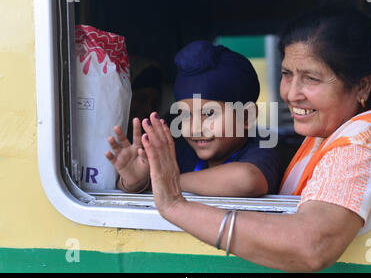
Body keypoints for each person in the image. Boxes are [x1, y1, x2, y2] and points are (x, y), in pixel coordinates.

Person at [141, 7, 371, 272]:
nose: (291, 94)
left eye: (311, 78)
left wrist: (174, 204)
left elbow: (313, 245)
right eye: (287, 74)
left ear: (362, 87)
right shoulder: (326, 132)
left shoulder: (357, 146)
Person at [105, 40, 281, 196]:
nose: (195, 127)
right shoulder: (180, 153)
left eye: (209, 113)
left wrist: (162, 182)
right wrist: (136, 183)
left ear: (246, 116)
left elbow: (247, 180)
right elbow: (142, 178)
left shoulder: (262, 151)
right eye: (186, 115)